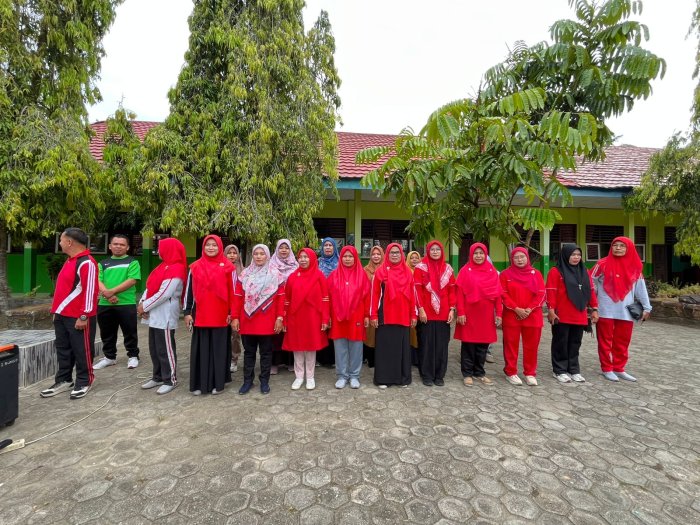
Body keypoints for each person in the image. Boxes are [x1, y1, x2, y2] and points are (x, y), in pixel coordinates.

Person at [41, 228, 99, 400]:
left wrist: (84, 316)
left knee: (82, 350)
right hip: (62, 315)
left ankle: (84, 381)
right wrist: (57, 312)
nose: (59, 243)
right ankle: (64, 380)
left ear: (69, 242)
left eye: (61, 240)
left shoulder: (87, 262)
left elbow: (90, 291)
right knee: (63, 350)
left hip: (78, 316)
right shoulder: (70, 261)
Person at [591, 236, 651, 382]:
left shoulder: (635, 266)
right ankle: (607, 368)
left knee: (623, 341)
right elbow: (590, 283)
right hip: (605, 310)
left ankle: (619, 368)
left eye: (622, 246)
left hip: (625, 311)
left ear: (629, 248)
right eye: (615, 245)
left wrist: (647, 307)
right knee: (605, 341)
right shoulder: (602, 264)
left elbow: (641, 289)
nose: (618, 248)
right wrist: (593, 305)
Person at [184, 235, 235, 396]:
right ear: (203, 247)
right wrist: (187, 312)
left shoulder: (228, 267)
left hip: (221, 315)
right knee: (201, 350)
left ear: (220, 247)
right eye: (208, 245)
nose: (211, 248)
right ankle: (200, 384)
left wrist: (232, 313)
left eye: (214, 245)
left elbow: (233, 292)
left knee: (219, 350)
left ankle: (218, 384)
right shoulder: (195, 267)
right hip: (201, 314)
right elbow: (189, 292)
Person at [232, 244, 285, 395]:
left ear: (267, 256)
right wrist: (235, 317)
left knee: (266, 353)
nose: (259, 256)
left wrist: (280, 318)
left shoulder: (275, 274)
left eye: (262, 253)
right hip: (247, 320)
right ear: (252, 256)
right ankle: (247, 381)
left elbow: (281, 298)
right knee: (249, 353)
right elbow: (237, 297)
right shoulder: (245, 274)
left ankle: (264, 381)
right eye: (256, 254)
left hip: (267, 320)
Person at [137, 238, 187, 394]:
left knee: (165, 349)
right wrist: (142, 303)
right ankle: (157, 376)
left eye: (161, 248)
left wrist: (144, 306)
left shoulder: (176, 268)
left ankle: (170, 379)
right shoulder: (162, 267)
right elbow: (150, 287)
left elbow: (165, 293)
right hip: (154, 312)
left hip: (165, 313)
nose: (158, 251)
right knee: (154, 347)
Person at [546, 243, 599, 383]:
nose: (576, 257)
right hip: (562, 314)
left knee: (575, 342)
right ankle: (559, 370)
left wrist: (594, 309)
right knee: (561, 342)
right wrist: (551, 310)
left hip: (579, 313)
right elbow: (551, 291)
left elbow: (590, 290)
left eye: (578, 255)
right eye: (573, 254)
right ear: (565, 255)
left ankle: (573, 369)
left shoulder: (584, 271)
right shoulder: (556, 271)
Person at [370, 243, 418, 389]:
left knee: (401, 349)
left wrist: (413, 314)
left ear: (402, 254)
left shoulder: (408, 272)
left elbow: (412, 296)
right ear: (387, 254)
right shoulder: (380, 272)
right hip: (385, 316)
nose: (395, 255)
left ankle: (402, 379)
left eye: (397, 252)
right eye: (392, 252)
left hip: (403, 316)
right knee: (385, 349)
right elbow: (374, 296)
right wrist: (373, 315)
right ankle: (383, 379)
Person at [454, 243, 502, 386]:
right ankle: (467, 373)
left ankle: (479, 372)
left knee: (483, 344)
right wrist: (460, 312)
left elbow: (498, 295)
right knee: (468, 344)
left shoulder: (492, 271)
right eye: (476, 253)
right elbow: (459, 293)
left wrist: (499, 313)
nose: (479, 256)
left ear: (486, 255)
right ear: (471, 255)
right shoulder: (465, 271)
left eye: (481, 253)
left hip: (486, 314)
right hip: (469, 313)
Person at [282, 248, 330, 390]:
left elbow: (325, 299)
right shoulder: (292, 277)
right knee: (297, 347)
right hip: (295, 317)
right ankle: (298, 376)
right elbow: (287, 300)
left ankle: (310, 377)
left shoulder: (319, 276)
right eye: (300, 257)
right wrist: (284, 319)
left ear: (312, 258)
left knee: (311, 347)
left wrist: (325, 319)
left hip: (313, 317)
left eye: (306, 257)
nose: (303, 260)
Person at [93, 234, 142, 371]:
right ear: (110, 246)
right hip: (105, 303)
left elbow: (132, 280)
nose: (118, 247)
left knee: (130, 331)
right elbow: (97, 280)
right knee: (106, 333)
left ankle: (133, 356)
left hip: (126, 303)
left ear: (127, 247)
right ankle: (109, 357)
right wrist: (108, 295)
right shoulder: (102, 264)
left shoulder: (132, 262)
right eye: (115, 244)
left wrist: (112, 292)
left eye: (122, 244)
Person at [500, 247, 546, 386]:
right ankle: (511, 372)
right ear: (512, 259)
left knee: (532, 346)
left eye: (522, 257)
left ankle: (530, 373)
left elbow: (541, 293)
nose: (519, 260)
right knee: (510, 345)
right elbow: (502, 294)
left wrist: (529, 309)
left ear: (527, 257)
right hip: (512, 315)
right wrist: (516, 309)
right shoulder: (505, 274)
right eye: (516, 257)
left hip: (533, 315)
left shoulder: (536, 274)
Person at [413, 241, 456, 387]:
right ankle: (426, 375)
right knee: (426, 345)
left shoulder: (448, 269)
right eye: (432, 249)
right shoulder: (420, 268)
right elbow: (417, 290)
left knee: (442, 345)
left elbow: (452, 290)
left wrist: (452, 309)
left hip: (444, 313)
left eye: (438, 249)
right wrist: (421, 309)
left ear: (442, 251)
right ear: (428, 251)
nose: (435, 252)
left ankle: (439, 375)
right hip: (426, 313)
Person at [328, 245, 370, 389]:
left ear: (355, 258)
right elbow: (328, 297)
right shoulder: (334, 275)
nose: (347, 259)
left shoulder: (362, 275)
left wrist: (366, 315)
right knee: (340, 347)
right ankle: (342, 375)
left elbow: (367, 297)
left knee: (356, 347)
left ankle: (354, 376)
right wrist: (328, 316)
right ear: (341, 258)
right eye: (345, 256)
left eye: (350, 256)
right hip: (337, 316)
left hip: (357, 316)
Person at [268, 239, 298, 374]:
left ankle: (290, 361)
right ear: (277, 249)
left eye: (286, 248)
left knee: (290, 332)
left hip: (292, 303)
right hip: (275, 302)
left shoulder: (296, 266)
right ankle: (274, 363)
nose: (284, 250)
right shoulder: (270, 265)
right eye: (281, 247)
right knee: (276, 332)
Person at [317, 237, 339, 367]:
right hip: (320, 299)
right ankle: (321, 358)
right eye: (326, 245)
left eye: (330, 245)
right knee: (321, 327)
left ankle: (333, 359)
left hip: (336, 299)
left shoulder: (340, 263)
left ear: (334, 248)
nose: (328, 248)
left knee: (333, 327)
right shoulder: (318, 263)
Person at [363, 245, 384, 368]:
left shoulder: (387, 270)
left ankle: (381, 358)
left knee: (381, 332)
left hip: (382, 305)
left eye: (378, 254)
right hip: (368, 304)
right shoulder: (365, 270)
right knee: (369, 332)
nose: (376, 256)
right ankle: (370, 358)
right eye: (373, 254)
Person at [224, 244, 244, 373]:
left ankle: (234, 359)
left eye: (234, 253)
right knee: (223, 335)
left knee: (235, 335)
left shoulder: (244, 271)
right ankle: (224, 359)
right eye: (229, 253)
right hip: (223, 307)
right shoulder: (221, 269)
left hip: (238, 308)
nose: (232, 255)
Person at [405, 250, 422, 367]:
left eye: (416, 257)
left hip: (421, 307)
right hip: (409, 306)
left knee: (419, 332)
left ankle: (419, 357)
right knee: (411, 332)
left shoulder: (423, 271)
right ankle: (410, 358)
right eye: (412, 258)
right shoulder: (406, 271)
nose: (414, 259)